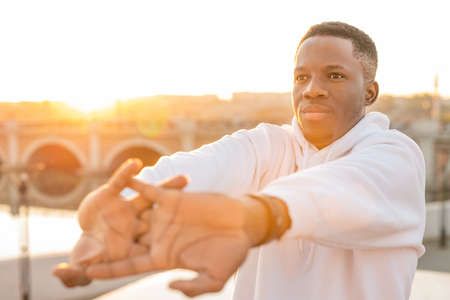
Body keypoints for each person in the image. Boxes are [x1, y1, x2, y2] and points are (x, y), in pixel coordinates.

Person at [54, 21, 426, 300]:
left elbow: (340, 193)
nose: (312, 88)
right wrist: (123, 207)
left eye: (334, 75)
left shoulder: (396, 156)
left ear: (370, 92)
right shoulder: (265, 145)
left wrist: (252, 218)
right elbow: (202, 166)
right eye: (301, 76)